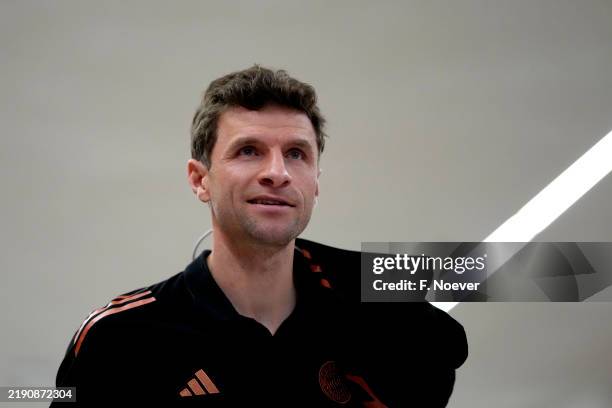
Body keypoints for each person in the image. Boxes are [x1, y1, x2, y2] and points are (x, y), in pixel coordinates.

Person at [51, 65, 467, 407]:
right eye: (248, 150)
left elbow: (495, 271)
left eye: (296, 154)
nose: (277, 173)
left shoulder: (377, 294)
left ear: (315, 183)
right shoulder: (119, 339)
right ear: (199, 180)